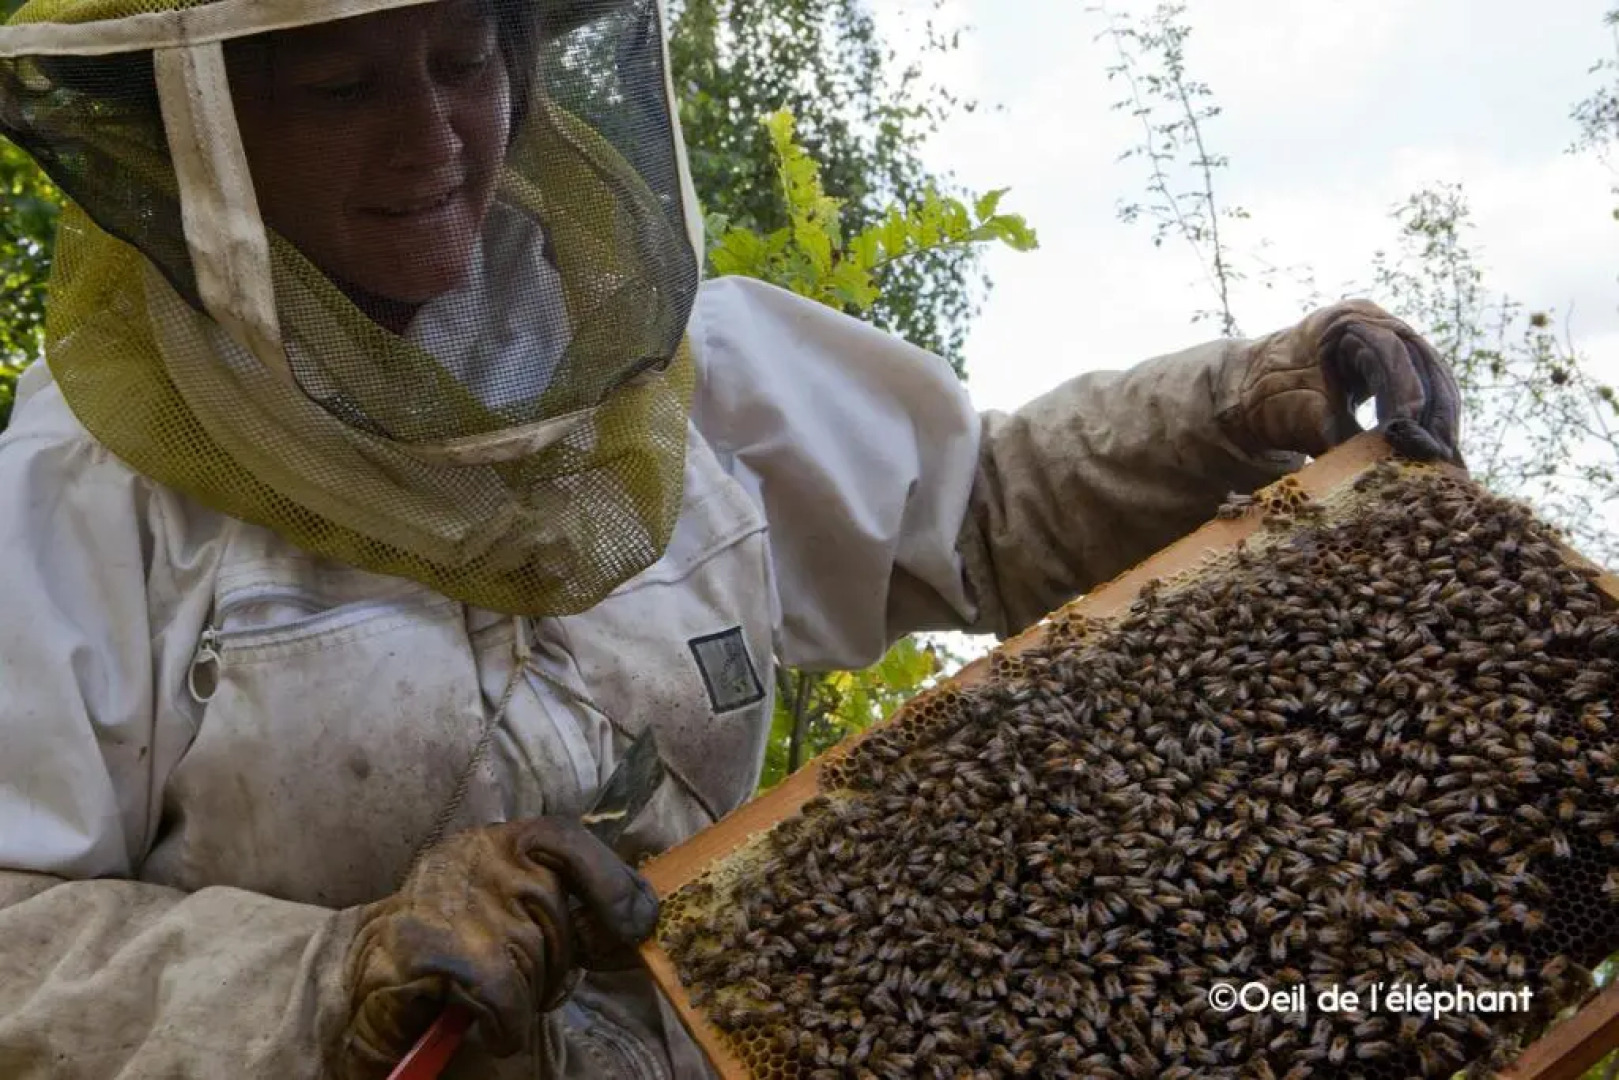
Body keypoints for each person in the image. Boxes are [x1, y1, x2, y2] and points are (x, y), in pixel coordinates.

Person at [0, 0, 1462, 1077]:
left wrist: (1225, 404)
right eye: (338, 86)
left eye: (463, 62)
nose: (431, 136)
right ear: (206, 128)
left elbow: (978, 514)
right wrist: (330, 975)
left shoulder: (683, 362)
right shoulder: (93, 473)